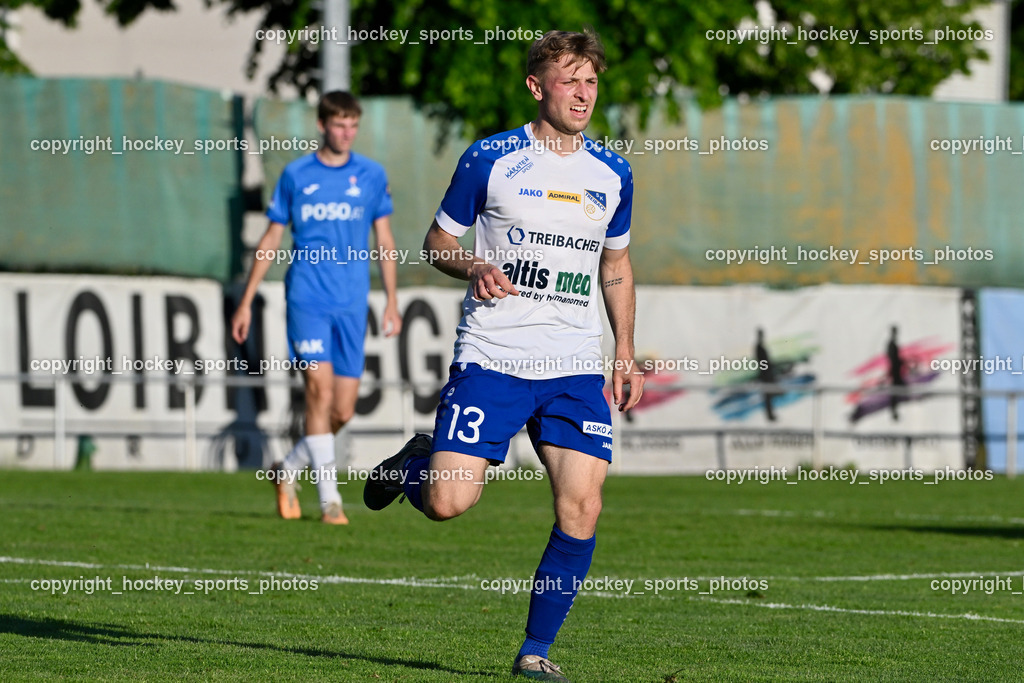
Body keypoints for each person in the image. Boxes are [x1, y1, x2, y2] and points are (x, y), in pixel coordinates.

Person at [363, 30, 643, 681]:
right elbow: (437, 242)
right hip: (494, 357)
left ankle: (535, 652)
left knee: (583, 506)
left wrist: (624, 349)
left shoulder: (613, 173)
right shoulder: (490, 158)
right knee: (448, 502)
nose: (583, 93)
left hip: (574, 365)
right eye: (570, 80)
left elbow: (617, 264)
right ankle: (415, 465)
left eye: (591, 81)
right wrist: (473, 266)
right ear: (536, 86)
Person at [232, 91, 402, 525]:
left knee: (341, 410)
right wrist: (246, 301)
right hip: (307, 299)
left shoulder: (371, 175)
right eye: (339, 124)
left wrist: (392, 300)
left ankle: (288, 468)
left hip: (351, 302)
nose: (346, 133)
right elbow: (271, 238)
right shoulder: (296, 175)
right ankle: (330, 501)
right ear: (322, 125)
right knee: (318, 392)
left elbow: (384, 240)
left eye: (353, 125)